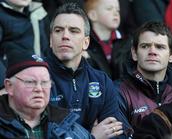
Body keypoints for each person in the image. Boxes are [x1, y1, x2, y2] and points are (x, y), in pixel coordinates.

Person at [46, 2, 133, 139]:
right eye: (58, 30)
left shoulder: (101, 80)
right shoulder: (37, 78)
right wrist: (91, 137)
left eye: (74, 31)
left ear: (86, 42)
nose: (65, 36)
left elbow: (116, 133)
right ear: (51, 40)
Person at [0, 51, 93, 138]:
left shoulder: (68, 126)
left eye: (44, 82)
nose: (39, 89)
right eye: (30, 82)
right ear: (9, 86)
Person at [116, 21, 172, 129]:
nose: (152, 52)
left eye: (160, 47)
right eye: (145, 46)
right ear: (134, 53)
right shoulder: (118, 92)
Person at [0, 0, 50, 87]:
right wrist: (3, 85)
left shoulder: (38, 11)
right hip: (12, 83)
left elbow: (46, 49)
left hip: (40, 80)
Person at [84, 0, 122, 79]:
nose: (116, 13)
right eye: (109, 9)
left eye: (117, 10)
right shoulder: (85, 45)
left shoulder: (126, 42)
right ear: (93, 15)